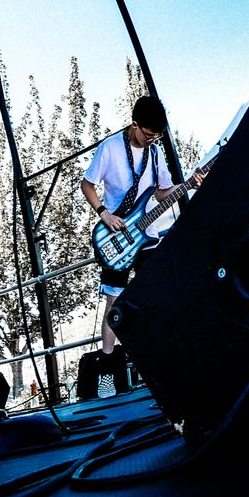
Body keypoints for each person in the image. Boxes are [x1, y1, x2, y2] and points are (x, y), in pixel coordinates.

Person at [80, 95, 197, 381]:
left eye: (156, 136)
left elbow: (162, 192)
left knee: (158, 295)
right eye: (148, 135)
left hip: (147, 237)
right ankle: (108, 371)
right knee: (114, 303)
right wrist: (104, 213)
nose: (151, 140)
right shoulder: (110, 148)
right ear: (134, 125)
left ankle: (160, 365)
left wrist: (190, 185)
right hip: (115, 237)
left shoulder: (155, 154)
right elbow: (87, 184)